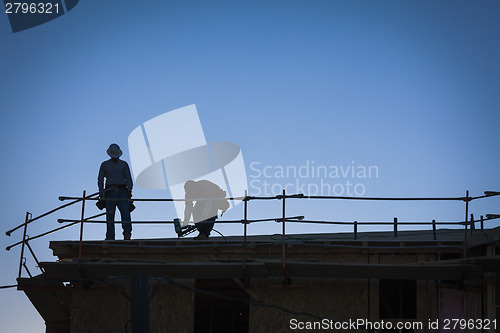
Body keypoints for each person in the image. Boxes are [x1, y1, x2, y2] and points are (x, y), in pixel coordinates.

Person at [98, 143, 133, 240]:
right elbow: (100, 180)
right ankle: (112, 236)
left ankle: (125, 234)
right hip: (112, 190)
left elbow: (129, 179)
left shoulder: (120, 164)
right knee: (114, 214)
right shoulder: (107, 164)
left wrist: (129, 190)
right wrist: (102, 192)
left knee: (122, 213)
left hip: (119, 190)